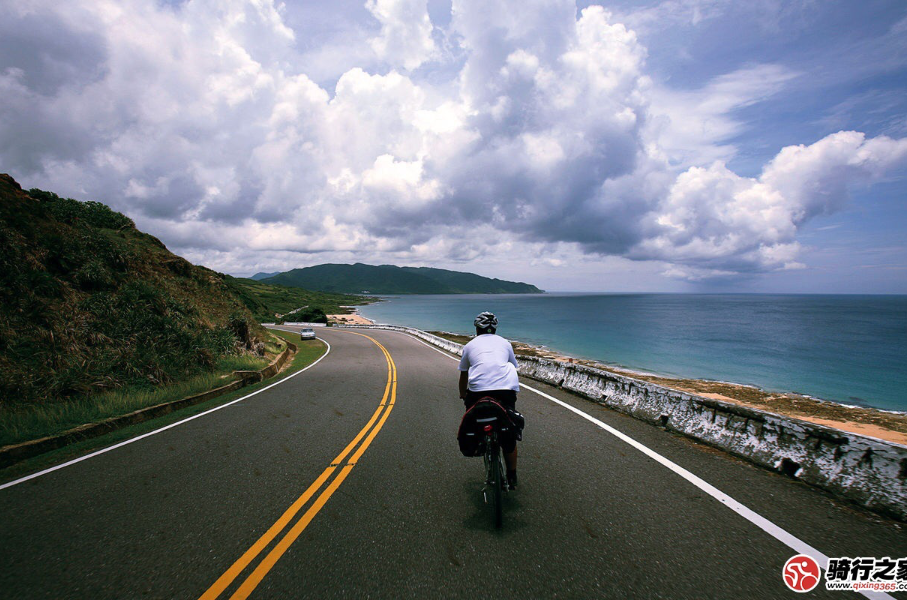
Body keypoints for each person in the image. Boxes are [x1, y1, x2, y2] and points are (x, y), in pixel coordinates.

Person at [458, 311, 520, 489]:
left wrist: (463, 394)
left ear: (477, 328)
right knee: (509, 431)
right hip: (506, 391)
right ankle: (512, 476)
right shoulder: (505, 343)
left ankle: (479, 443)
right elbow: (513, 366)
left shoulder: (470, 345)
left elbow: (464, 374)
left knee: (474, 416)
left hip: (478, 392)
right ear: (495, 329)